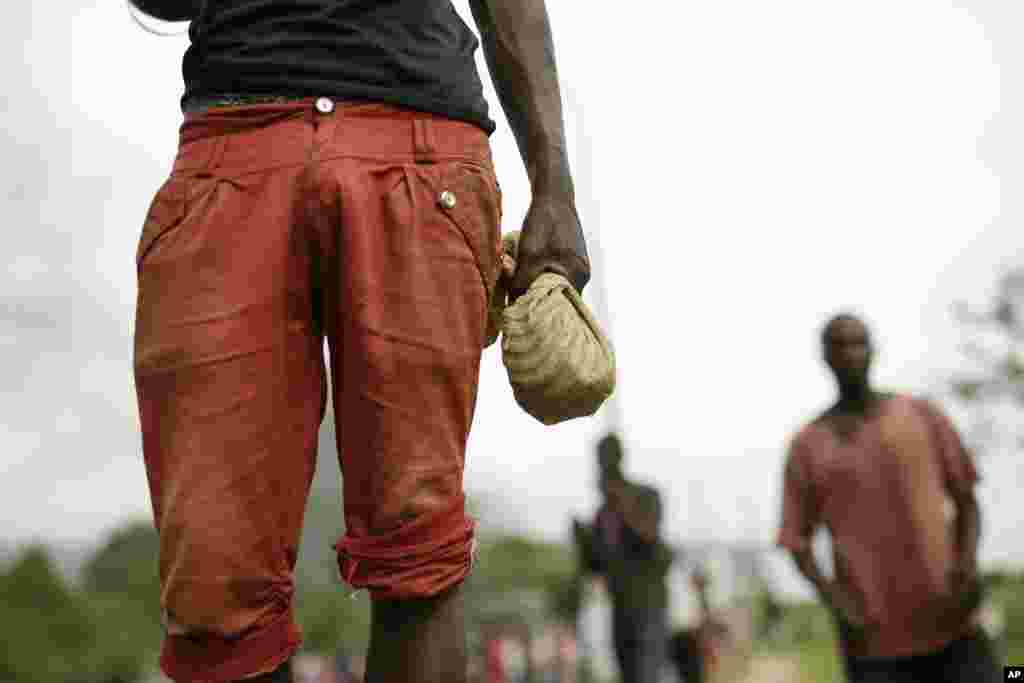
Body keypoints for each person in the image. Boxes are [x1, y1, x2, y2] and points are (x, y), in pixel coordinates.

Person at [128, 1, 590, 681]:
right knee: (214, 592)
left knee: (418, 551)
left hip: (418, 143)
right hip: (236, 137)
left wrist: (554, 184)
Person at [777, 313, 1001, 683]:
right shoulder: (808, 446)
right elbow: (795, 543)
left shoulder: (922, 416)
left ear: (872, 350)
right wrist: (837, 602)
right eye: (839, 345)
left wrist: (966, 567)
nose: (850, 353)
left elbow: (966, 499)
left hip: (951, 620)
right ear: (825, 357)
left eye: (858, 342)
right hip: (873, 642)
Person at [573, 433, 673, 683]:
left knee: (647, 674)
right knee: (629, 675)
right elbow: (593, 569)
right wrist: (583, 540)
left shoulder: (645, 495)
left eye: (608, 457)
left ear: (619, 458)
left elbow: (650, 536)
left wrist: (620, 503)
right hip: (620, 608)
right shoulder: (601, 515)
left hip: (649, 605)